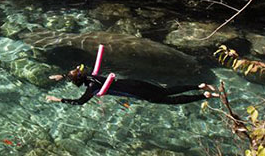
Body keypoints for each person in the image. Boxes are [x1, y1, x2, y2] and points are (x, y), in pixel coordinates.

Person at [44, 66, 219, 106]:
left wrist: (57, 98)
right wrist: (63, 76)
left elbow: (79, 102)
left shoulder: (92, 89)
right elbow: (77, 74)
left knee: (169, 101)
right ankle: (200, 85)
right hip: (134, 82)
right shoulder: (90, 75)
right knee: (166, 90)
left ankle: (203, 96)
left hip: (134, 91)